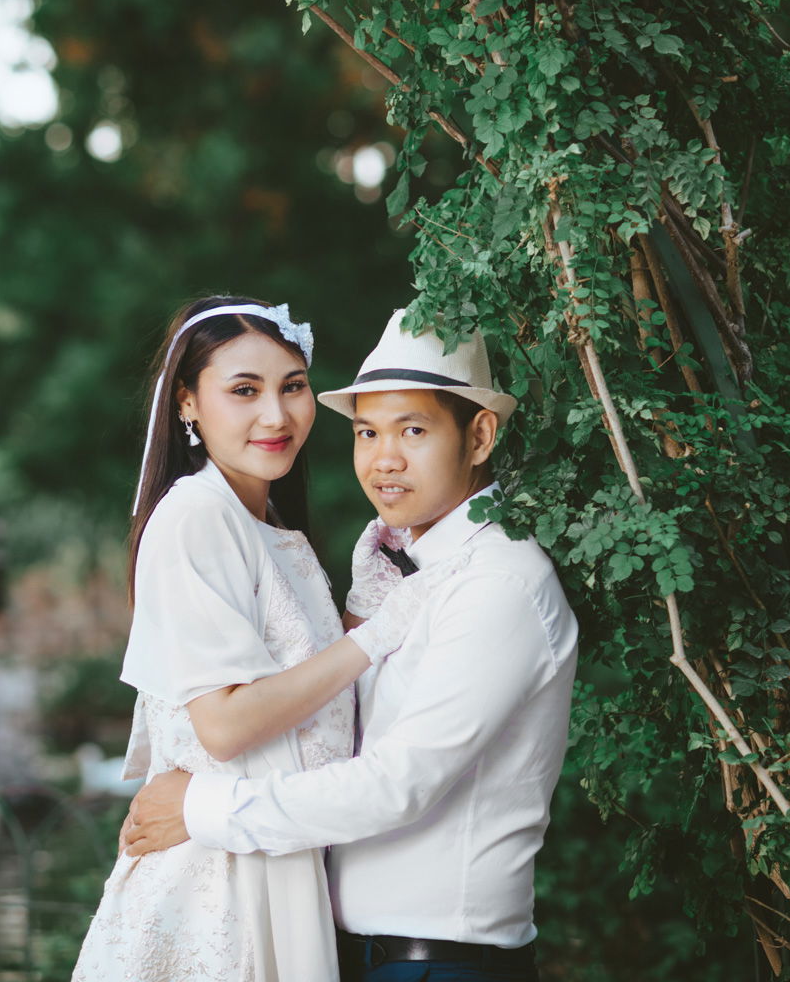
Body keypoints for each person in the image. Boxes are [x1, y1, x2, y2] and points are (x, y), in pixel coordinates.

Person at [123, 310, 580, 982]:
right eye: (367, 432)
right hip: (342, 948)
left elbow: (398, 784)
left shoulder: (499, 582)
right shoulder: (394, 571)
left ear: (479, 435)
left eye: (414, 430)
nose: (384, 458)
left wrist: (200, 808)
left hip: (436, 960)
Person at [70, 297, 437, 982]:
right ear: (188, 403)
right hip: (218, 880)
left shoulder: (270, 527)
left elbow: (309, 707)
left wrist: (364, 603)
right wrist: (379, 635)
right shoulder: (195, 518)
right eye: (244, 390)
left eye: (292, 387)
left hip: (271, 851)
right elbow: (226, 726)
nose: (277, 415)